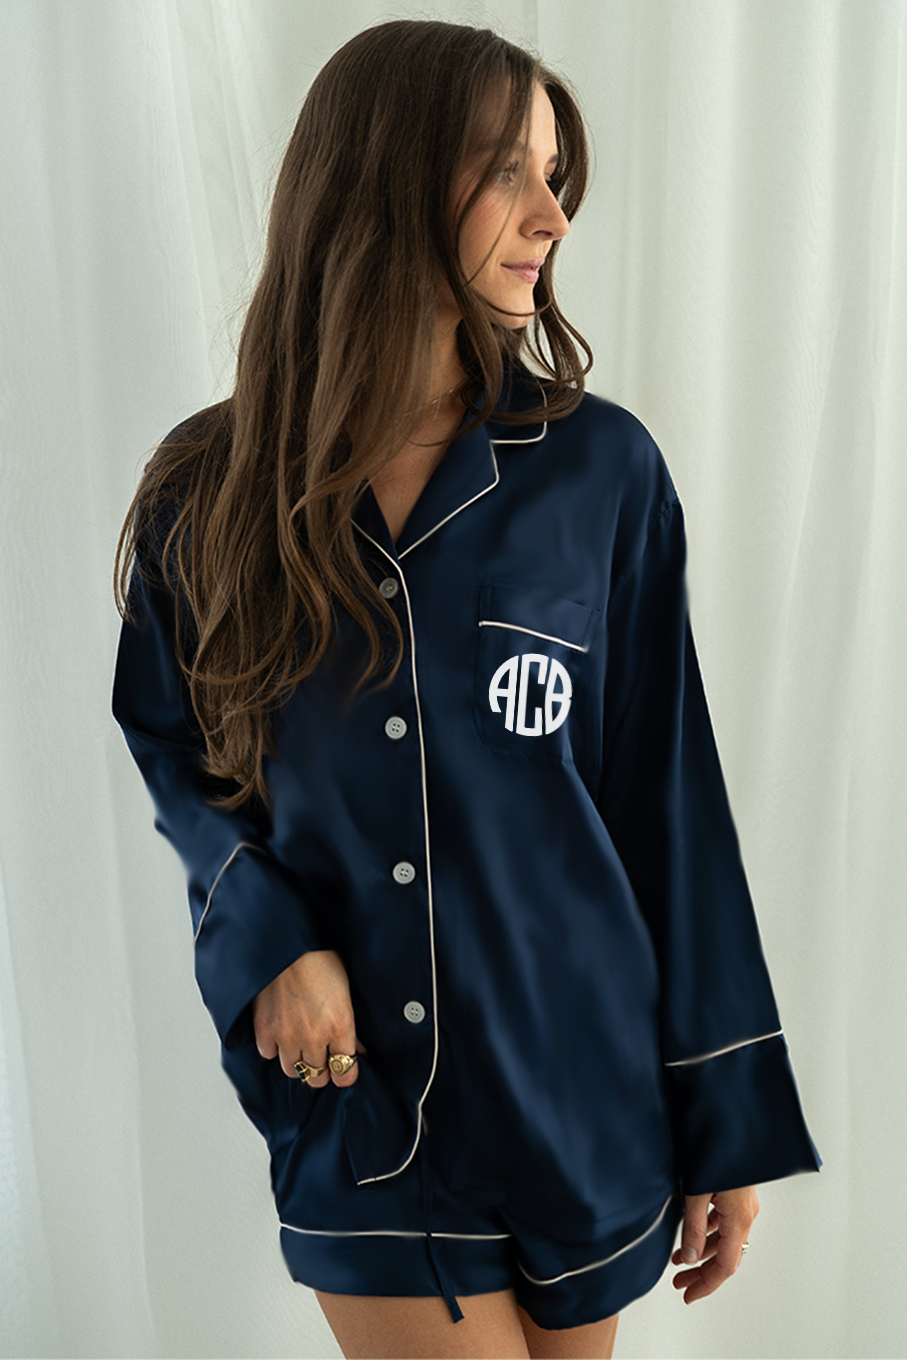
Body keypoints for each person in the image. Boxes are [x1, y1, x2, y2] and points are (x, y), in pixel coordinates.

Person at [112, 19, 821, 1360]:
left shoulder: (601, 473)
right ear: (385, 177)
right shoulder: (207, 495)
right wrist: (269, 939)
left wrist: (724, 1107)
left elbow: (667, 802)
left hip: (582, 1095)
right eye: (509, 171)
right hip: (363, 1111)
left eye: (557, 175)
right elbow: (172, 748)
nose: (554, 215)